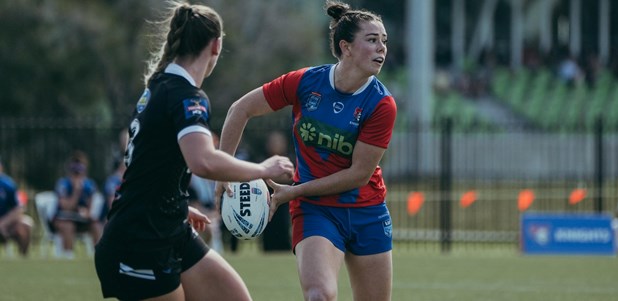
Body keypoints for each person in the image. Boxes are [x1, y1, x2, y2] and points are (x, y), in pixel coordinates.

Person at [93, 2, 294, 301]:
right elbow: (203, 161)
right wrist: (263, 169)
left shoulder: (162, 86)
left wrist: (175, 204)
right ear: (216, 45)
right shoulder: (184, 95)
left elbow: (150, 162)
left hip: (169, 225)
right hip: (140, 238)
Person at [218, 1, 396, 300]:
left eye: (384, 41)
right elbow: (240, 109)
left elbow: (358, 175)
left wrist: (294, 192)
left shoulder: (381, 104)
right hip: (317, 210)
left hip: (367, 211)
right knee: (320, 295)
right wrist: (223, 172)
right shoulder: (305, 82)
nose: (382, 48)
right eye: (372, 39)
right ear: (346, 47)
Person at [53, 150, 100, 259]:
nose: (77, 175)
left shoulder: (89, 185)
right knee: (69, 225)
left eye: (80, 172)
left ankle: (98, 255)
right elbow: (66, 207)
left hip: (81, 220)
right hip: (63, 219)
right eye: (75, 172)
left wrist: (86, 213)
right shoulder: (63, 184)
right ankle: (69, 257)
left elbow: (90, 209)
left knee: (96, 225)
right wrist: (76, 192)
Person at [259, 130, 293, 252]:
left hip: (285, 203)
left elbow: (291, 176)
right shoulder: (262, 160)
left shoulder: (289, 159)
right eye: (272, 142)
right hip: (265, 202)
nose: (275, 144)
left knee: (284, 227)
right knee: (268, 228)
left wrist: (267, 174)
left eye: (278, 142)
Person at [0, 157, 32, 257]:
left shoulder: (8, 185)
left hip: (6, 222)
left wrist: (3, 223)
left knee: (26, 225)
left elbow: (19, 209)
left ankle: (23, 262)